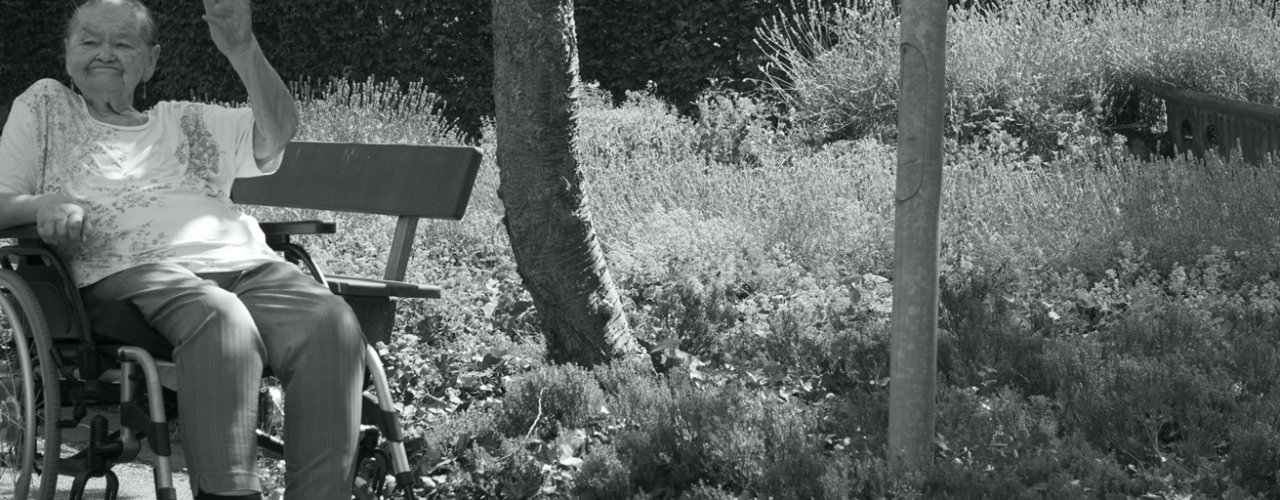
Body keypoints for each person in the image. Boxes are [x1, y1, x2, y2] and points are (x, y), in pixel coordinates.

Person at [0, 1, 364, 499]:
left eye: (124, 43)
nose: (105, 52)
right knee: (220, 318)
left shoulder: (189, 121)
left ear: (150, 61)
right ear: (66, 55)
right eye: (89, 41)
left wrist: (243, 50)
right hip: (131, 269)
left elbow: (278, 131)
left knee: (332, 323)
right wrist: (46, 204)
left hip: (245, 263)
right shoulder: (45, 106)